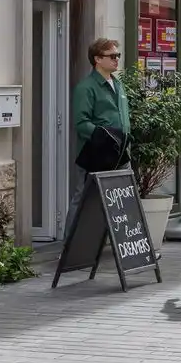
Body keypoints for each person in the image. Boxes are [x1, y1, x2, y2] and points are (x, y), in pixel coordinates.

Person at [63, 38, 130, 242]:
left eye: (118, 55)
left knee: (122, 197)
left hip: (120, 153)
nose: (117, 59)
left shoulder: (117, 84)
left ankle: (125, 245)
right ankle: (70, 245)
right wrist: (105, 138)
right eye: (112, 56)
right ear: (97, 59)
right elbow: (81, 123)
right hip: (95, 153)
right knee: (83, 198)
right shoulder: (87, 87)